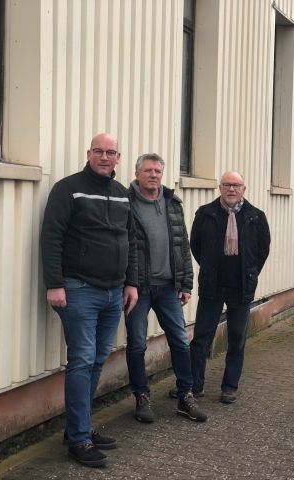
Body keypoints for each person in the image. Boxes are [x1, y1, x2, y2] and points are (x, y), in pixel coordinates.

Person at [40, 133, 138, 468]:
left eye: (111, 152)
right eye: (99, 151)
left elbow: (131, 241)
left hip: (114, 291)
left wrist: (132, 283)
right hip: (79, 288)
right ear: (89, 153)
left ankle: (78, 429)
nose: (104, 157)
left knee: (97, 360)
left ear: (118, 157)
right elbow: (51, 237)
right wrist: (55, 284)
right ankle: (79, 440)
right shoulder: (68, 189)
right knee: (82, 360)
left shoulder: (123, 194)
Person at [125, 153, 207, 423]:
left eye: (157, 171)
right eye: (148, 170)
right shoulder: (126, 202)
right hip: (138, 288)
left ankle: (185, 395)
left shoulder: (172, 203)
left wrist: (186, 283)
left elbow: (182, 245)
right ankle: (141, 396)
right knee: (137, 345)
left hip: (169, 288)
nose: (153, 175)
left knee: (180, 342)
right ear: (137, 174)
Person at [189, 171, 270, 404]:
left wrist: (250, 273)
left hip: (240, 288)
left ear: (243, 189)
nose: (231, 189)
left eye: (236, 185)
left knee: (237, 339)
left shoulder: (256, 216)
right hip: (212, 286)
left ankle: (229, 387)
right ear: (220, 188)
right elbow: (196, 246)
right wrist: (210, 268)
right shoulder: (205, 213)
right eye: (227, 185)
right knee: (201, 338)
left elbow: (262, 250)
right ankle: (194, 385)